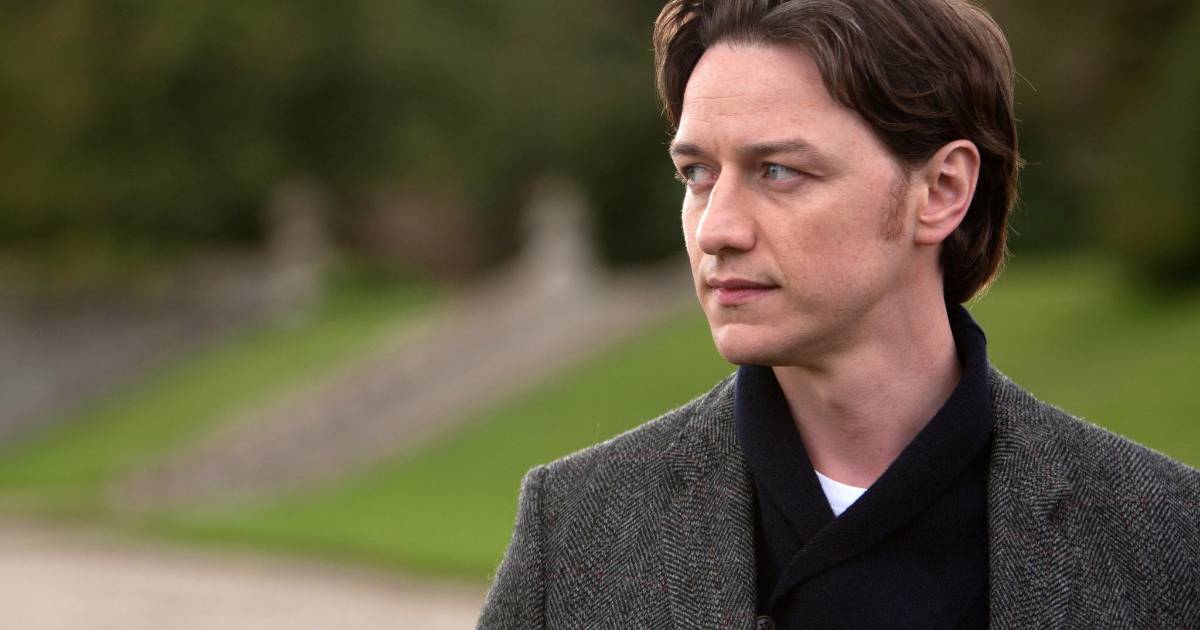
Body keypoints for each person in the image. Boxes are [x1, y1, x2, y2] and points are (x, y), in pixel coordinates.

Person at [477, 0, 1200, 627]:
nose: (717, 228)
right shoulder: (572, 531)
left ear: (942, 191)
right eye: (697, 174)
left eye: (778, 171)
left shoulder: (1168, 539)